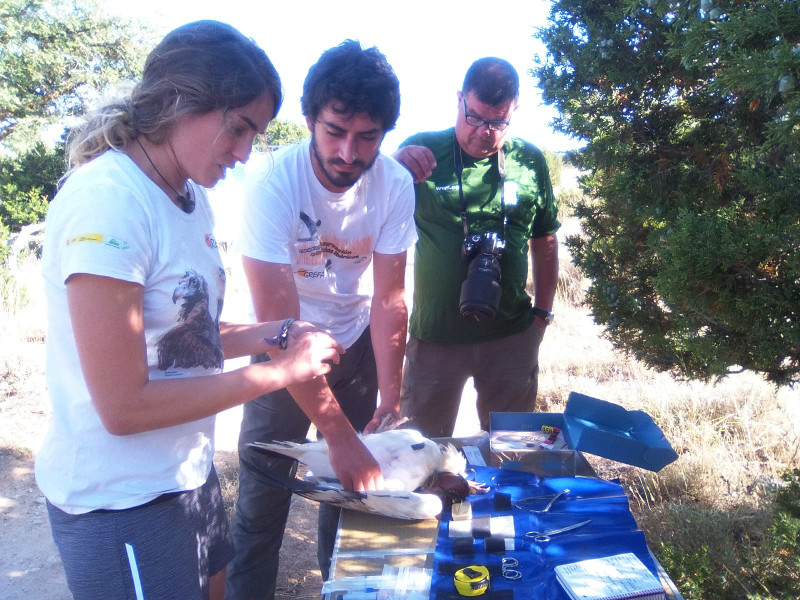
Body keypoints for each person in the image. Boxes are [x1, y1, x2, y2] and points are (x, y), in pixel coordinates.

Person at [35, 21, 344, 600]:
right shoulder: (108, 202)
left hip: (185, 476)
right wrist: (279, 372)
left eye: (257, 134)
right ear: (180, 104)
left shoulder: (189, 198)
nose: (246, 152)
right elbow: (124, 406)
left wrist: (273, 333)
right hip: (121, 500)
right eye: (239, 128)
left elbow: (181, 334)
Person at [226, 40, 416, 599]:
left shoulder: (395, 185)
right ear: (310, 119)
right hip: (282, 350)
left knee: (355, 500)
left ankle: (342, 590)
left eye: (367, 137)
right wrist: (337, 433)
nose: (349, 153)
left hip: (353, 348)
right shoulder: (271, 182)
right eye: (335, 131)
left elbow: (388, 299)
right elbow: (279, 325)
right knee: (262, 501)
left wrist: (390, 394)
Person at [393, 57, 560, 438]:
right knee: (420, 456)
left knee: (511, 456)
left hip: (512, 338)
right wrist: (389, 169)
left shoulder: (529, 160)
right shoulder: (421, 155)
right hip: (435, 339)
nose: (485, 132)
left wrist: (541, 317)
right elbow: (369, 215)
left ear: (515, 110)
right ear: (459, 101)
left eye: (499, 122)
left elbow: (545, 238)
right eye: (476, 118)